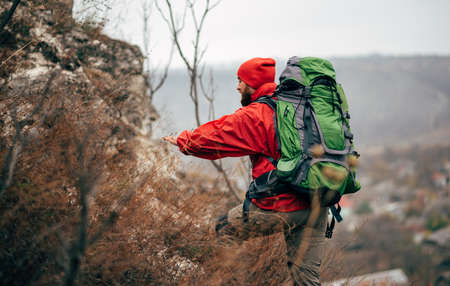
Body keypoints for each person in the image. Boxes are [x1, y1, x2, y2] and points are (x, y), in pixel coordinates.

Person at [163, 58, 328, 286]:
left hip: (282, 204)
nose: (237, 86)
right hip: (317, 203)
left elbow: (218, 135)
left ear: (252, 83)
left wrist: (184, 140)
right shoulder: (302, 108)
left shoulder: (257, 114)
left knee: (224, 229)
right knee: (307, 281)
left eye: (240, 80)